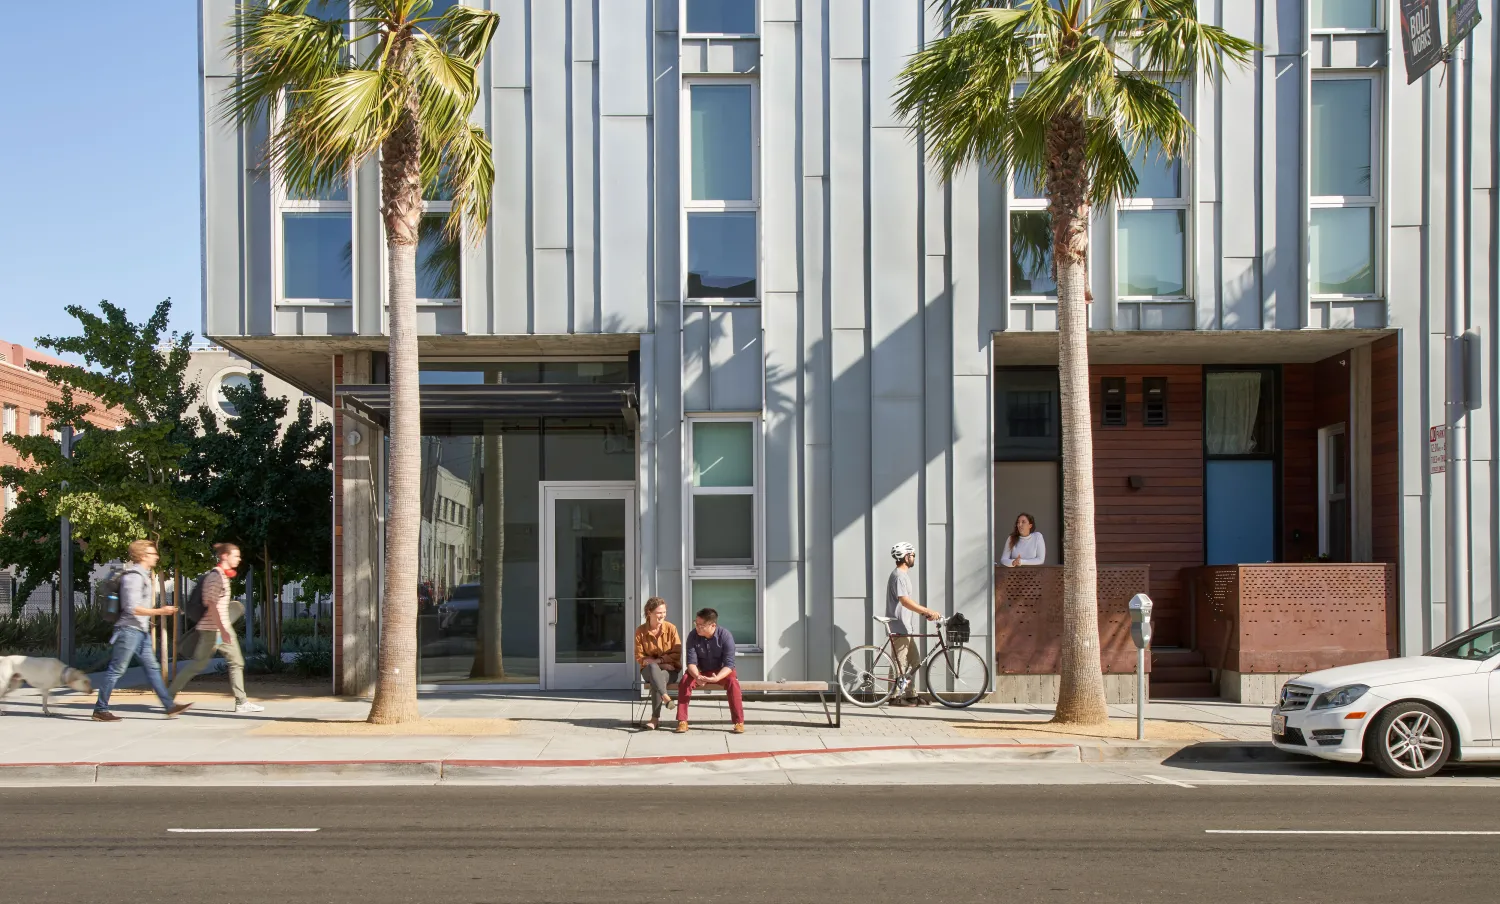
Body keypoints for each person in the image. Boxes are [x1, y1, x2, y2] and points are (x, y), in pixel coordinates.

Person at [92, 540, 193, 722]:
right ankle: (100, 709)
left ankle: (169, 706)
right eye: (153, 554)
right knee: (117, 670)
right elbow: (132, 608)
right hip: (128, 630)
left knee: (153, 668)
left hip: (140, 631)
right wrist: (161, 611)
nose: (157, 556)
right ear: (143, 556)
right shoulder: (134, 577)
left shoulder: (143, 575)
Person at [167, 542, 262, 714]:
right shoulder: (216, 577)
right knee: (199, 665)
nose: (239, 559)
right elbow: (211, 604)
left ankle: (241, 702)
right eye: (236, 555)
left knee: (236, 662)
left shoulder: (223, 576)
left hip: (220, 628)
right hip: (213, 629)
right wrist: (222, 630)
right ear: (225, 556)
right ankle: (168, 697)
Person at [886, 541, 941, 707]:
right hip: (899, 627)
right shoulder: (898, 576)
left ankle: (911, 695)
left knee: (915, 661)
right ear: (905, 557)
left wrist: (924, 613)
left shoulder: (902, 576)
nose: (914, 557)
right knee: (899, 663)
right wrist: (927, 610)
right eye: (912, 555)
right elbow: (905, 602)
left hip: (906, 627)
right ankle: (893, 697)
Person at [675, 608, 743, 734]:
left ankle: (739, 722)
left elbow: (729, 664)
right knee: (685, 680)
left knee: (733, 682)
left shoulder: (725, 636)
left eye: (701, 625)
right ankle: (682, 721)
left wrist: (717, 678)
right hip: (700, 670)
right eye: (696, 623)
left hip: (722, 671)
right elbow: (691, 662)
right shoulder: (693, 636)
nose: (698, 627)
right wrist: (697, 676)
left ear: (713, 625)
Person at [634, 597, 681, 730]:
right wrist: (660, 664)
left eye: (664, 612)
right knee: (654, 669)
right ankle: (666, 697)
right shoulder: (640, 631)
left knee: (657, 680)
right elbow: (640, 657)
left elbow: (677, 654)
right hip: (648, 670)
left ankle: (655, 719)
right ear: (649, 612)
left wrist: (659, 661)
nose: (662, 615)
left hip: (670, 671)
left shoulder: (671, 628)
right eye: (659, 612)